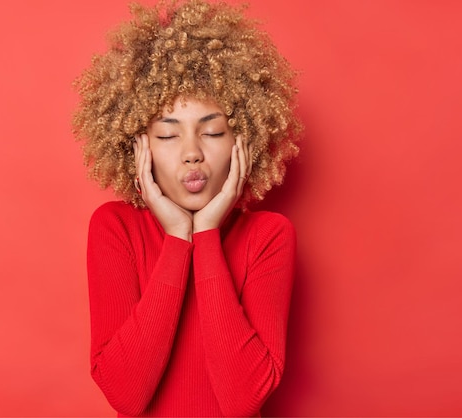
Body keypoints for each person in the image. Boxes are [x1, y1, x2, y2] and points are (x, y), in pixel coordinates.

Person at [72, 0, 301, 416]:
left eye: (212, 131)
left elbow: (241, 400)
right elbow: (125, 395)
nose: (192, 153)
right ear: (137, 147)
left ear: (242, 140)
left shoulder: (269, 237)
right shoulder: (115, 228)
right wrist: (179, 237)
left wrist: (206, 233)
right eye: (167, 136)